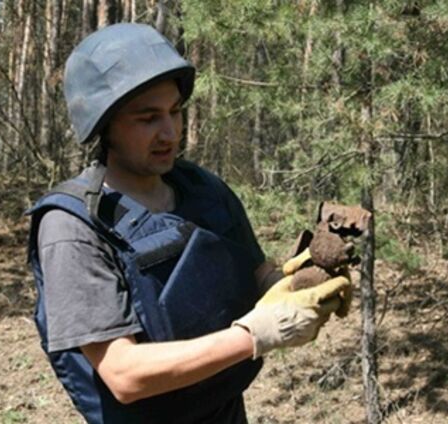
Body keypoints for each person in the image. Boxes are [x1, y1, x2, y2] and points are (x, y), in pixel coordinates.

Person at [27, 23, 352, 424]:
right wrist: (254, 336)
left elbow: (255, 275)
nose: (170, 132)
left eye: (175, 112)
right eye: (148, 118)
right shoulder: (74, 224)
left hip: (225, 410)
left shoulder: (202, 189)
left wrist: (301, 286)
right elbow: (124, 374)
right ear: (103, 125)